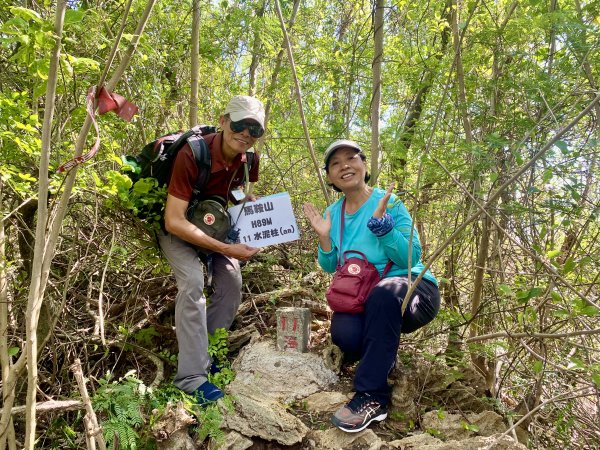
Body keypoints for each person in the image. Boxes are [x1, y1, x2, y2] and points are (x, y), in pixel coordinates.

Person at [303, 139, 440, 433]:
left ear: (364, 165)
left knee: (384, 294)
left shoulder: (390, 203)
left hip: (413, 290)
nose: (345, 166)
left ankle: (371, 396)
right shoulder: (334, 213)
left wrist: (384, 227)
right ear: (330, 177)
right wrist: (325, 238)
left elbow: (411, 257)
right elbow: (329, 265)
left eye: (351, 158)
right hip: (362, 296)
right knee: (346, 338)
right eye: (335, 164)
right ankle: (382, 356)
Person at [159, 95, 264, 405]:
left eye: (255, 130)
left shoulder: (249, 160)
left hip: (214, 225)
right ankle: (191, 377)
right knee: (192, 282)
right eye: (240, 124)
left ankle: (209, 354)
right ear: (224, 120)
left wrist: (245, 202)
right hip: (177, 227)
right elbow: (174, 220)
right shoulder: (193, 154)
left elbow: (235, 190)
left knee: (231, 283)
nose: (246, 134)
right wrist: (225, 247)